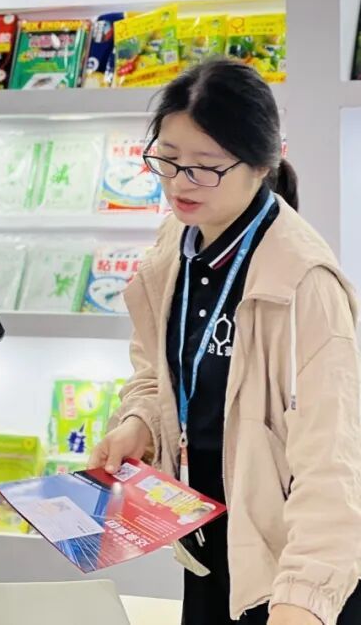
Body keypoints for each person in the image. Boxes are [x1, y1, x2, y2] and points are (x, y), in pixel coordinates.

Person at [90, 59, 361, 625]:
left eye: (206, 168)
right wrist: (141, 422)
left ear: (262, 163)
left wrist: (304, 598)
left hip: (293, 571)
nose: (180, 183)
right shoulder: (177, 245)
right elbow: (158, 370)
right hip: (213, 547)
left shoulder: (305, 284)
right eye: (168, 159)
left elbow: (333, 461)